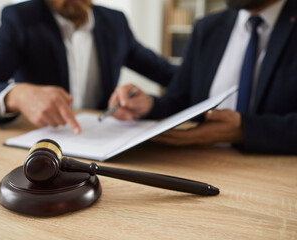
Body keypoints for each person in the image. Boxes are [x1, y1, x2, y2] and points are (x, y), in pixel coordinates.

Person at [108, 0, 297, 154]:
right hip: (201, 163)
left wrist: (244, 130)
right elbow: (180, 100)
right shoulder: (207, 28)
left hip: (273, 174)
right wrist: (149, 105)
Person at [0, 0, 177, 134]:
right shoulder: (20, 19)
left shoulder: (115, 22)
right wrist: (16, 95)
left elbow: (174, 76)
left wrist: (148, 103)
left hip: (104, 145)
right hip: (41, 149)